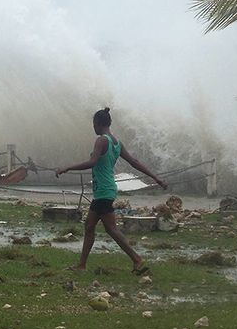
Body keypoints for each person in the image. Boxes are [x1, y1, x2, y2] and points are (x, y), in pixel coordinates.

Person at [56, 107, 167, 274]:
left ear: (98, 124)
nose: (93, 127)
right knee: (89, 226)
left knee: (111, 229)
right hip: (106, 189)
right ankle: (81, 265)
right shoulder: (116, 142)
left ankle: (137, 260)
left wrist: (67, 168)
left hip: (103, 190)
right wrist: (155, 177)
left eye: (94, 124)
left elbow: (92, 162)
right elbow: (134, 162)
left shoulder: (102, 140)